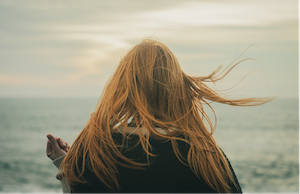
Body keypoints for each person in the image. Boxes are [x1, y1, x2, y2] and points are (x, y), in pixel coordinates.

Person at [46, 38, 271, 194]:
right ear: (175, 85)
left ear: (125, 85)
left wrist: (66, 165)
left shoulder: (94, 150)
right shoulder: (205, 155)